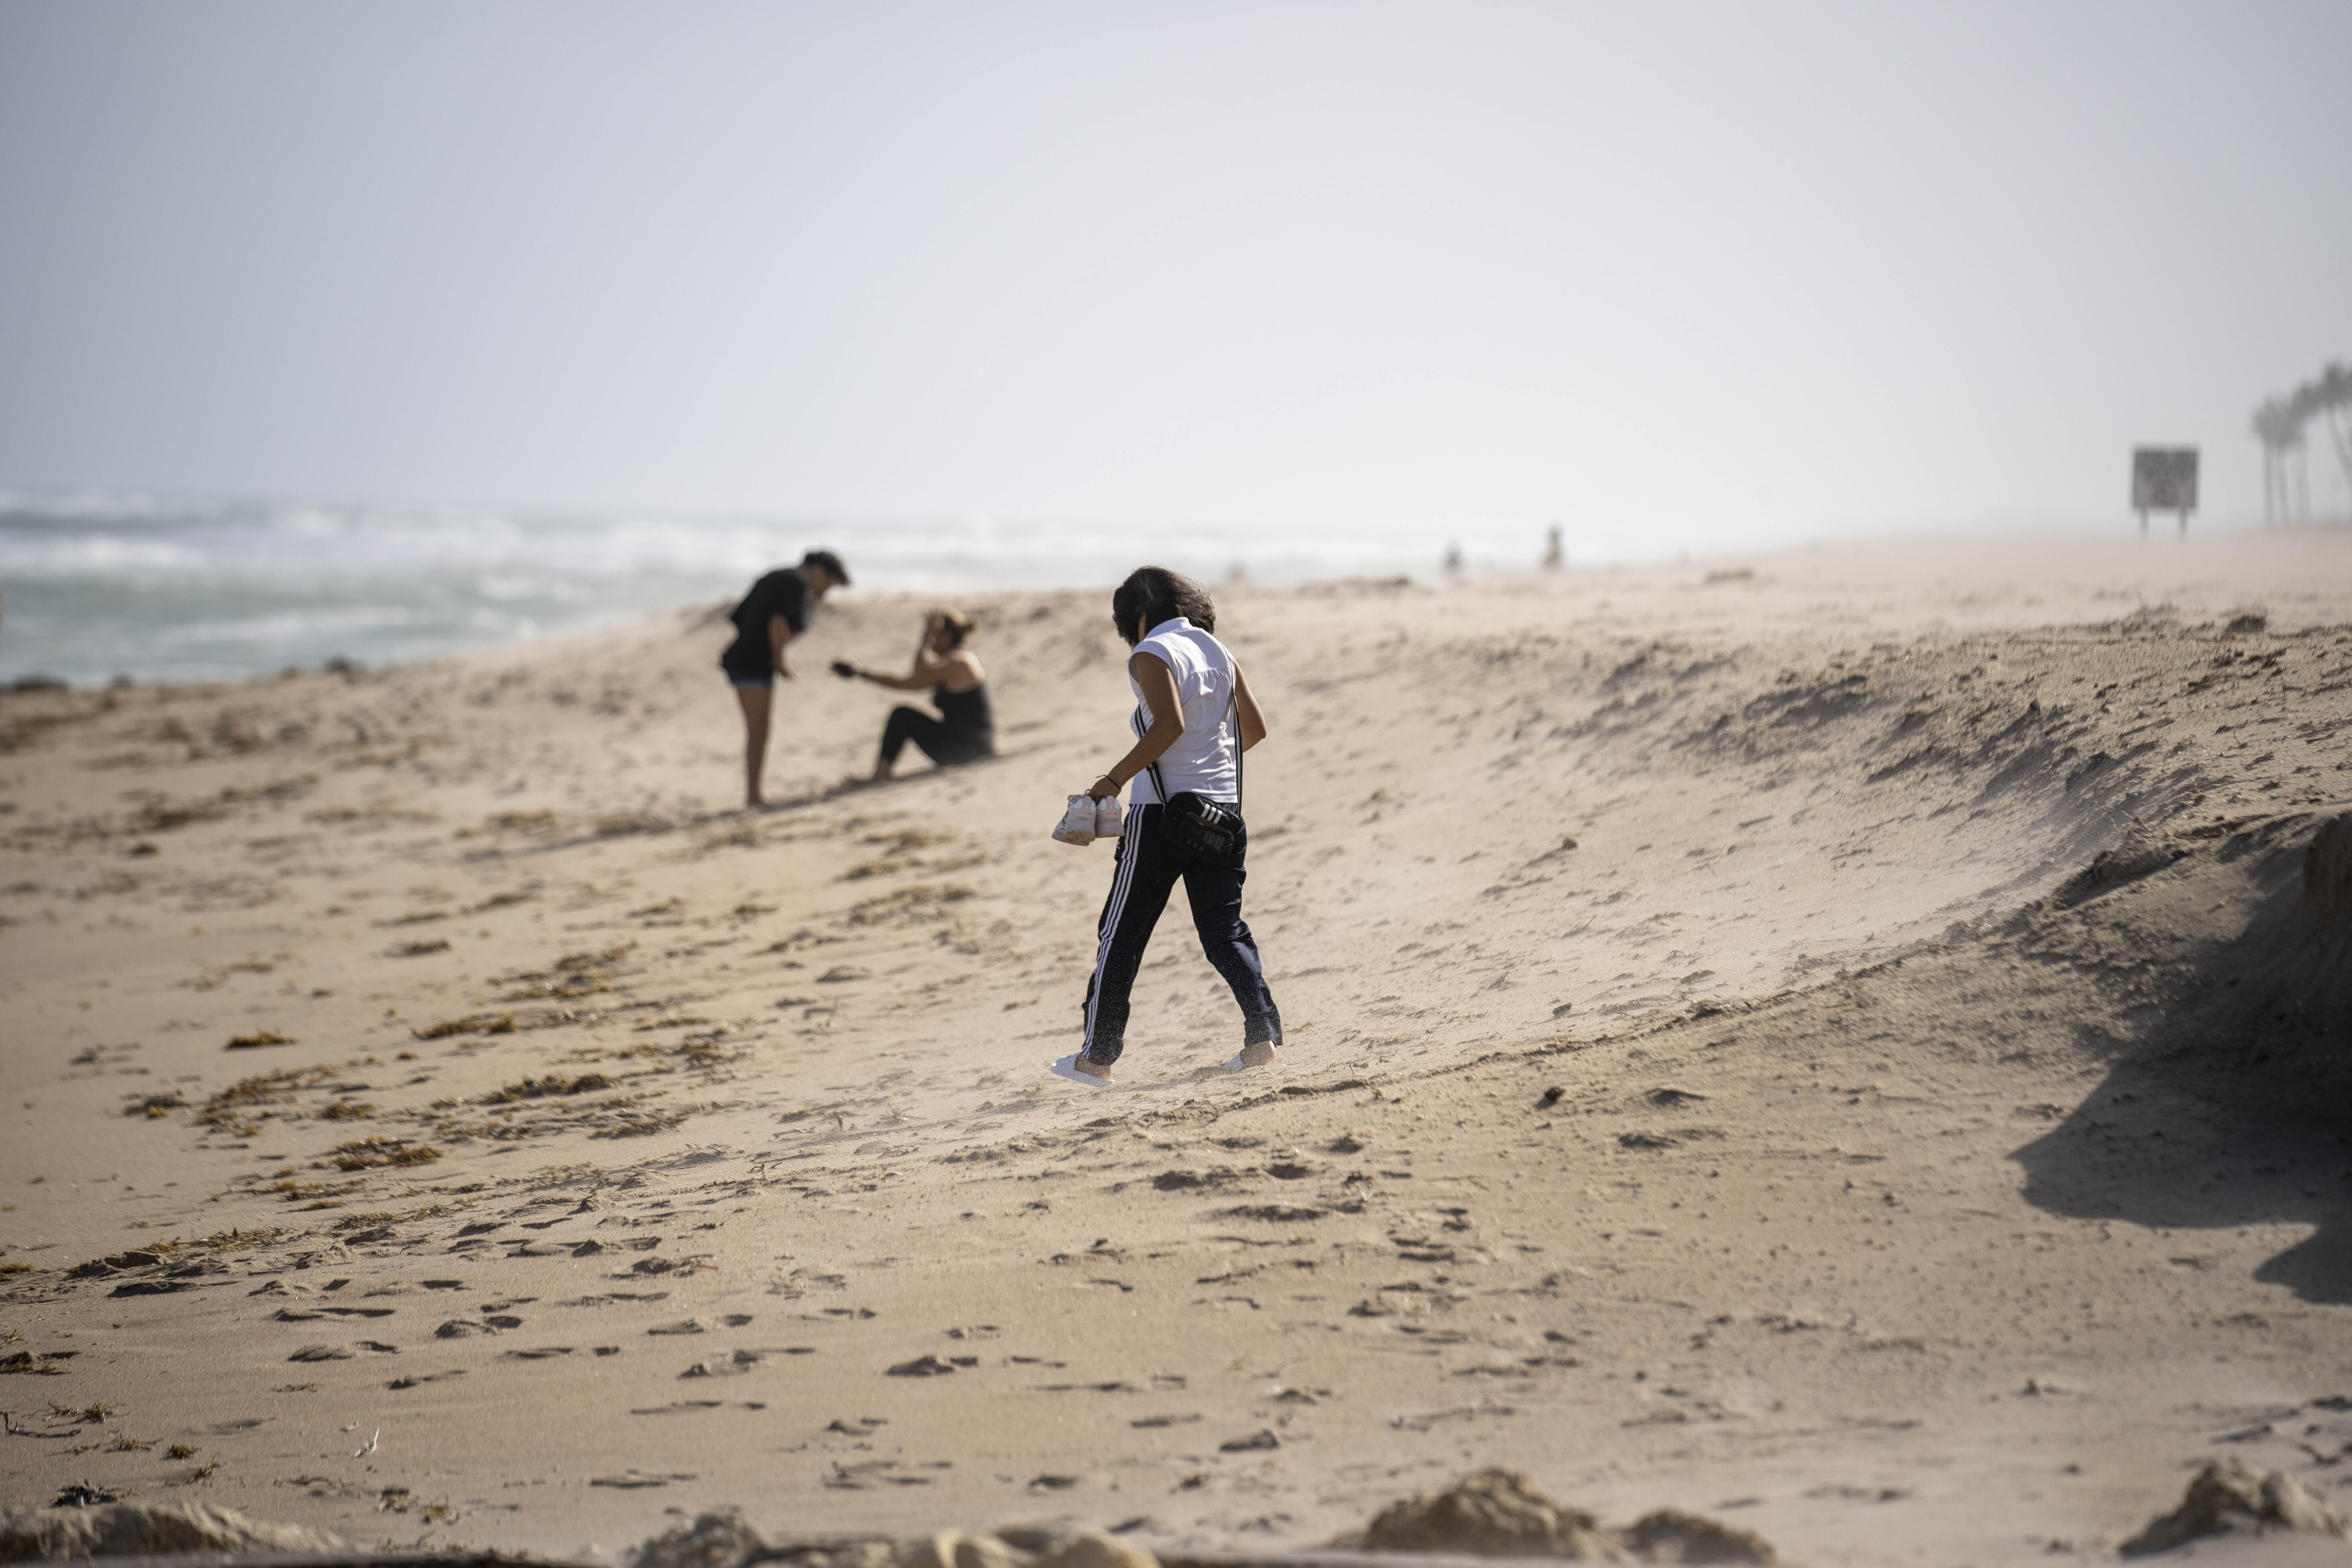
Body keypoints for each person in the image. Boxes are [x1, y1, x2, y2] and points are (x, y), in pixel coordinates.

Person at [1050, 566, 1280, 1087]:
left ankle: (1096, 1058)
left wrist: (1110, 782)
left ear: (1136, 613)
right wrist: (1206, 764)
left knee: (1121, 934)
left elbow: (1169, 726)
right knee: (1225, 932)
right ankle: (1261, 1037)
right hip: (1222, 814)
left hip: (1161, 817)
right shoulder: (1218, 651)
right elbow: (1255, 730)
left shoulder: (1151, 652)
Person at [719, 549, 848, 809]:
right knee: (759, 731)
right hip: (754, 664)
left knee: (757, 729)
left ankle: (753, 795)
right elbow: (778, 624)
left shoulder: (775, 576)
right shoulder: (797, 583)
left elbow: (740, 618)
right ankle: (754, 797)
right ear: (821, 572)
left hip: (740, 657)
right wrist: (780, 663)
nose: (827, 590)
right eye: (830, 583)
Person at [837, 609, 995, 783]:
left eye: (936, 635)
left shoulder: (962, 663)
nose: (931, 640)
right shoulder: (946, 668)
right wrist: (860, 673)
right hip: (961, 745)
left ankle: (881, 775)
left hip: (972, 750)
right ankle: (881, 774)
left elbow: (920, 670)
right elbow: (903, 684)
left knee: (903, 715)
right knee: (902, 714)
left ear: (947, 636)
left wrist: (928, 637)